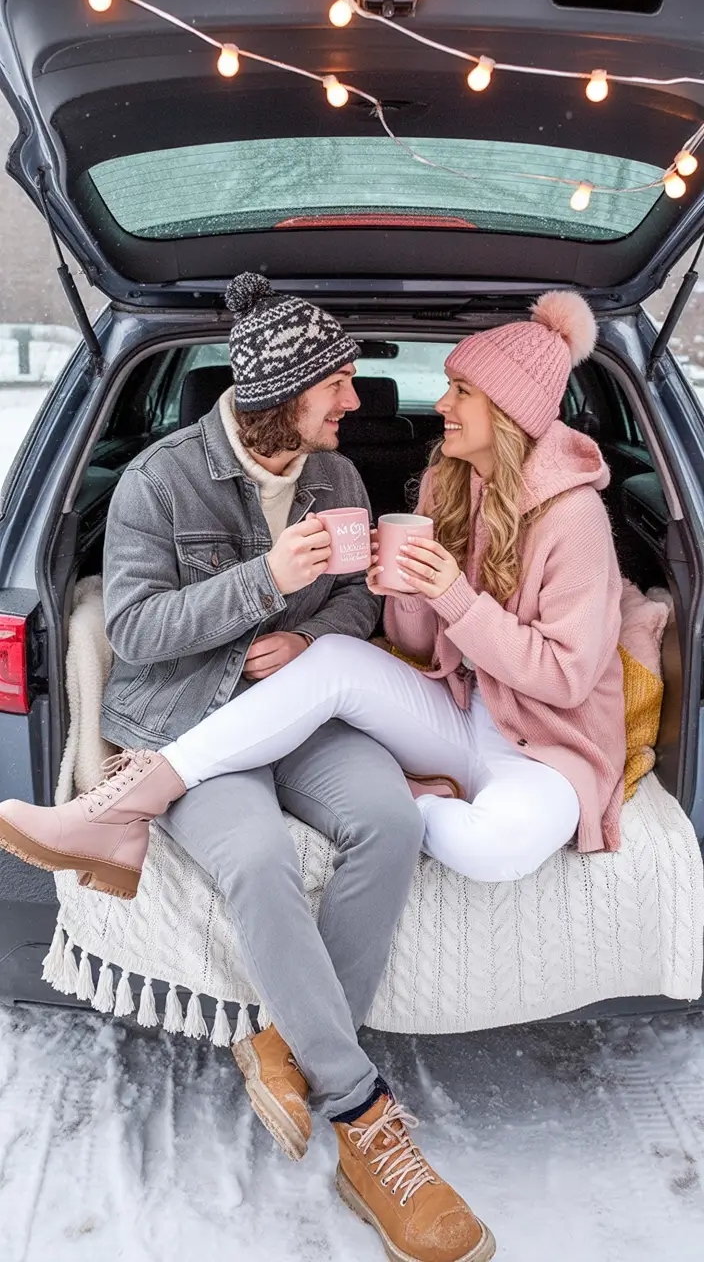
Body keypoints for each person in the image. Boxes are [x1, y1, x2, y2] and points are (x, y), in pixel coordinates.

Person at [0, 273, 495, 1262]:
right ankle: (361, 1113)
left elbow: (355, 606)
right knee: (259, 855)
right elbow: (135, 633)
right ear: (284, 393)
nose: (358, 404)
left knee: (390, 822)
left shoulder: (339, 479)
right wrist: (261, 587)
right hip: (190, 720)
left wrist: (312, 648)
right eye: (341, 385)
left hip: (305, 717)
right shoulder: (156, 481)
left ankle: (286, 1039)